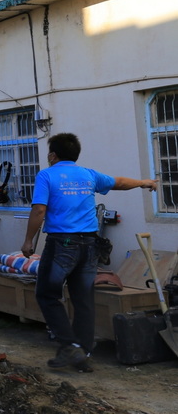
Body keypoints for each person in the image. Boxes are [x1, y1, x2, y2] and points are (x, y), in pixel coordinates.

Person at [20, 133, 157, 371]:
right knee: (83, 299)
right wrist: (143, 182)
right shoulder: (88, 175)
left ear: (52, 155)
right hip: (90, 244)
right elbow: (119, 182)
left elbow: (39, 210)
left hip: (62, 244)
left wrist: (28, 240)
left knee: (47, 294)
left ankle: (70, 347)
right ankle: (82, 354)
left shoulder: (46, 175)